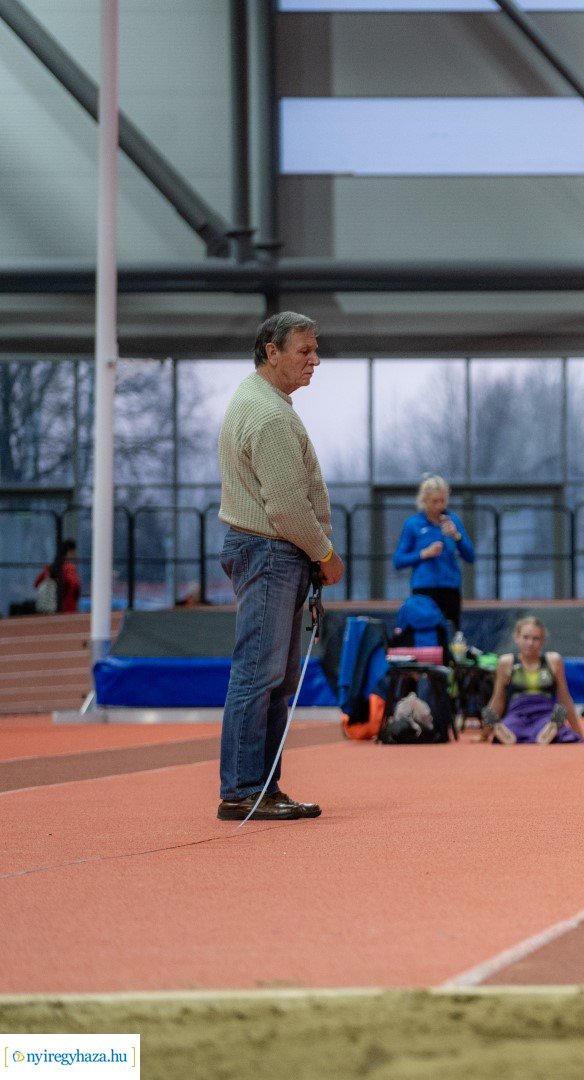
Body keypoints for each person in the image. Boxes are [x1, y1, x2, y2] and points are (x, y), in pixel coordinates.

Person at [215, 311, 345, 822]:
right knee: (260, 673)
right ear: (272, 352)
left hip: (270, 551)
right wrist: (325, 554)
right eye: (305, 351)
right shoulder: (268, 415)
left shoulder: (261, 401)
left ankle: (261, 787)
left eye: (316, 350)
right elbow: (288, 506)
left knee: (274, 677)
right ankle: (244, 789)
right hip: (270, 550)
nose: (315, 361)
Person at [392, 474, 475, 630]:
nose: (440, 506)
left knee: (451, 632)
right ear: (424, 501)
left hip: (450, 587)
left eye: (443, 501)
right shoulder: (413, 524)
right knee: (426, 631)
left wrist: (456, 536)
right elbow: (398, 560)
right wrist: (423, 554)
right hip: (424, 588)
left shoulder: (453, 520)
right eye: (435, 501)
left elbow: (470, 556)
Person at [485, 616, 583, 745]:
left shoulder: (553, 661)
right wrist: (484, 734)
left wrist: (578, 732)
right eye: (525, 637)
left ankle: (552, 727)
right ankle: (502, 729)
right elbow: (498, 699)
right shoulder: (505, 662)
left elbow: (564, 697)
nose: (530, 643)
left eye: (535, 638)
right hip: (517, 713)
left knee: (560, 731)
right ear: (516, 638)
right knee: (510, 726)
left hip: (545, 713)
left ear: (542, 641)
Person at [33, 538, 80, 614]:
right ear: (69, 553)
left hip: (50, 610)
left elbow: (36, 584)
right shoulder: (69, 568)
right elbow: (75, 586)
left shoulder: (48, 569)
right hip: (68, 609)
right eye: (74, 553)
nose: (75, 556)